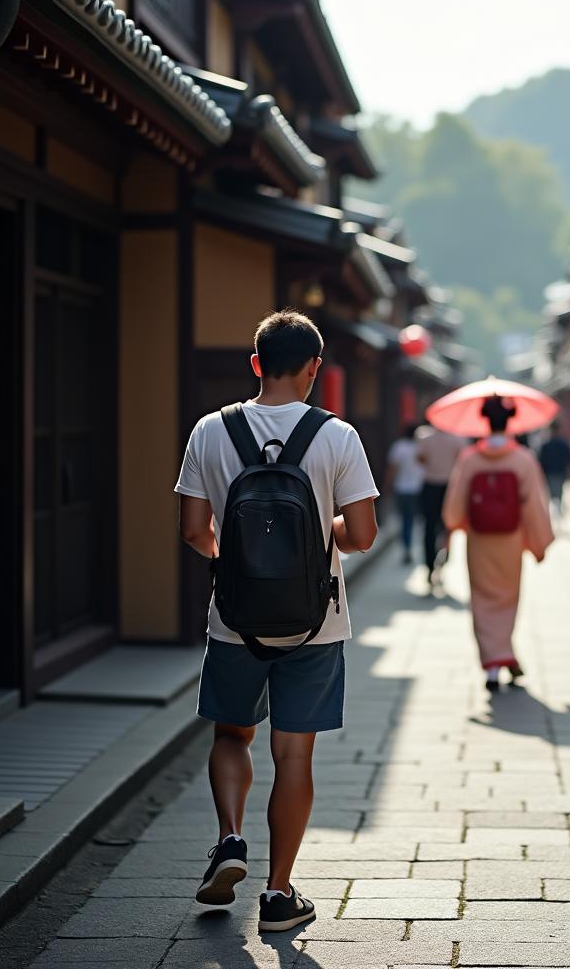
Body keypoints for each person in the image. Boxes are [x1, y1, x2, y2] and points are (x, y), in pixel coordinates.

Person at [175, 309, 378, 933]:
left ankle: (230, 839)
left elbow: (193, 530)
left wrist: (238, 563)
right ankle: (278, 893)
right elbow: (363, 534)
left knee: (231, 737)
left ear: (256, 363)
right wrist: (323, 533)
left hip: (234, 619)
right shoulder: (337, 436)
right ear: (315, 368)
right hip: (316, 621)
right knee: (294, 755)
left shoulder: (210, 430)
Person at [442, 396, 554, 692]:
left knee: (482, 599)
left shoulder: (470, 459)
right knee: (507, 598)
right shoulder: (522, 458)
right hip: (510, 540)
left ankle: (493, 664)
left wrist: (457, 525)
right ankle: (503, 654)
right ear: (510, 421)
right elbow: (534, 505)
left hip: (479, 540)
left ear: (485, 420)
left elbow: (454, 507)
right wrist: (538, 543)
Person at [415, 420, 466, 591]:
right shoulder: (457, 440)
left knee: (429, 527)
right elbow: (462, 460)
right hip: (449, 487)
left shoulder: (425, 437)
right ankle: (443, 558)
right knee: (447, 526)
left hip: (430, 485)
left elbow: (419, 459)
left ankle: (430, 564)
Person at [385, 424, 424, 565]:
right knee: (411, 519)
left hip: (401, 488)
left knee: (404, 519)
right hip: (416, 488)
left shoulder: (398, 447)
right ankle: (409, 546)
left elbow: (393, 468)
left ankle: (406, 547)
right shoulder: (419, 447)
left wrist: (387, 484)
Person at [538, 421, 570, 515]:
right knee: (558, 493)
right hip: (560, 473)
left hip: (549, 474)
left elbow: (540, 462)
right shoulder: (563, 444)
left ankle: (553, 512)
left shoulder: (546, 445)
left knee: (550, 494)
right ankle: (558, 511)